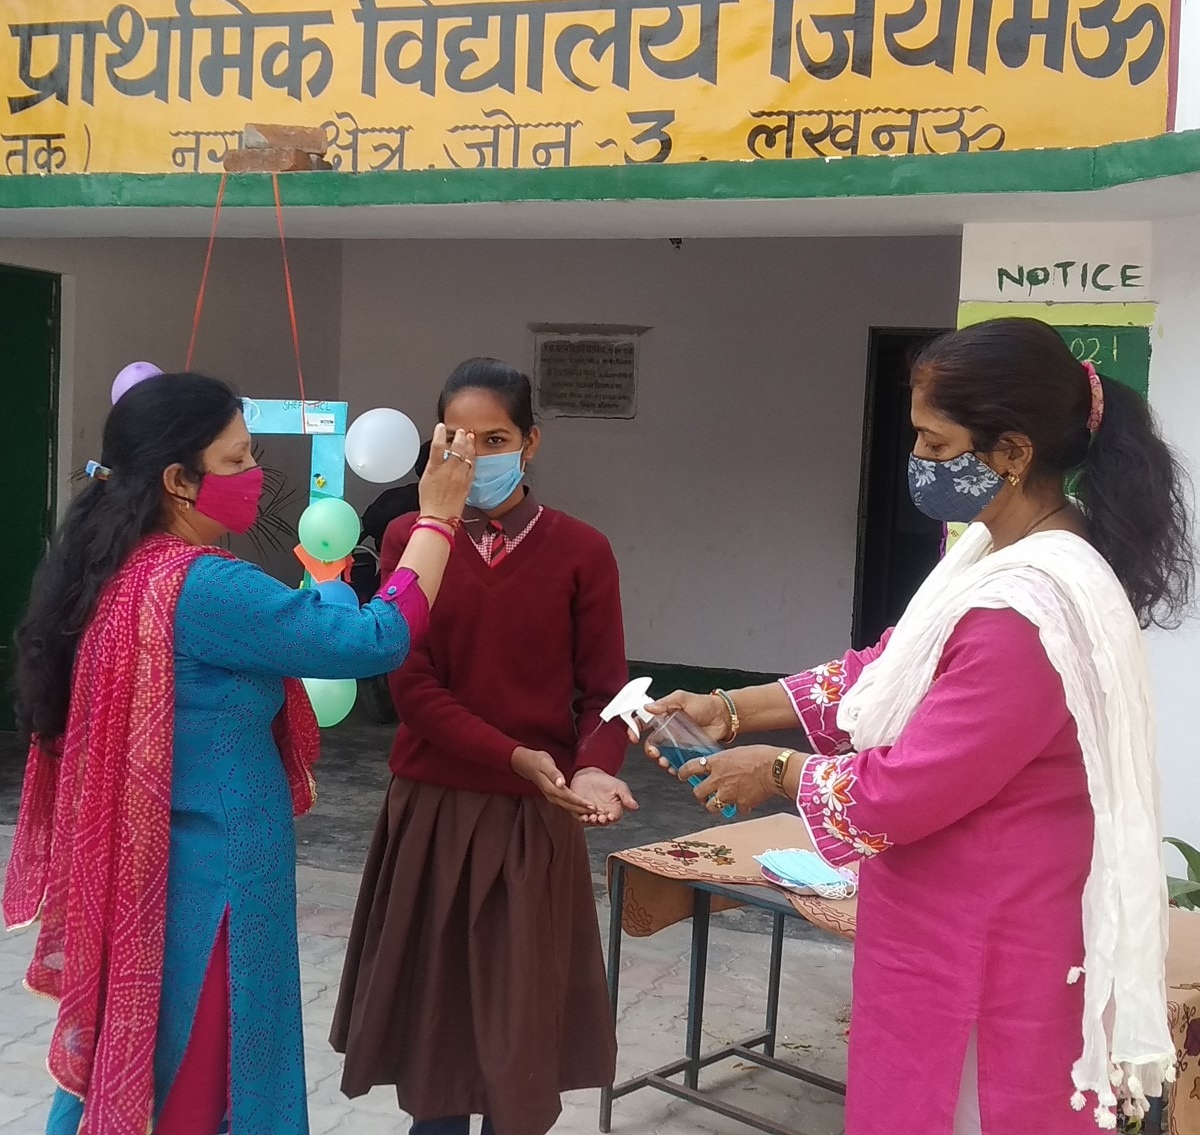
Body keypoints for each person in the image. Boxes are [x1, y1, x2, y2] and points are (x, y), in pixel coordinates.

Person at [642, 319, 1192, 1135]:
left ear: (1009, 452)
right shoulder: (995, 554)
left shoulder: (1028, 608)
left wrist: (779, 773)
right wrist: (728, 708)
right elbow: (884, 673)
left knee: (965, 1105)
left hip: (988, 933)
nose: (920, 462)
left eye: (935, 443)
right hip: (958, 909)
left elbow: (909, 787)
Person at [2, 372, 474, 1135]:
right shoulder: (205, 586)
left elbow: (298, 623)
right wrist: (439, 519)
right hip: (212, 884)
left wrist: (323, 592)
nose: (257, 475)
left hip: (146, 870)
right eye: (237, 459)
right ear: (178, 481)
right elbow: (372, 639)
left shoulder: (114, 570)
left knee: (140, 1057)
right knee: (200, 1079)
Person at [331, 357, 636, 1135]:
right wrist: (517, 757)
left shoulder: (582, 550)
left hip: (535, 824)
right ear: (436, 446)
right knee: (435, 1038)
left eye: (494, 438)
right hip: (433, 814)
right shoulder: (410, 538)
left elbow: (606, 689)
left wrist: (595, 764)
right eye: (457, 439)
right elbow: (414, 687)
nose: (473, 456)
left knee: (517, 1036)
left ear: (530, 442)